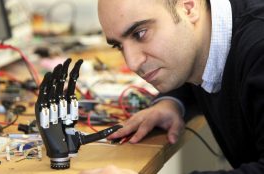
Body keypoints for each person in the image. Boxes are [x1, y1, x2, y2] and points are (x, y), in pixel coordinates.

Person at [81, 0, 264, 173]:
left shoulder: (258, 48)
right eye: (118, 46)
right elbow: (196, 62)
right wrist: (170, 102)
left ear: (188, 6)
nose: (132, 63)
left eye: (140, 33)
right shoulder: (211, 33)